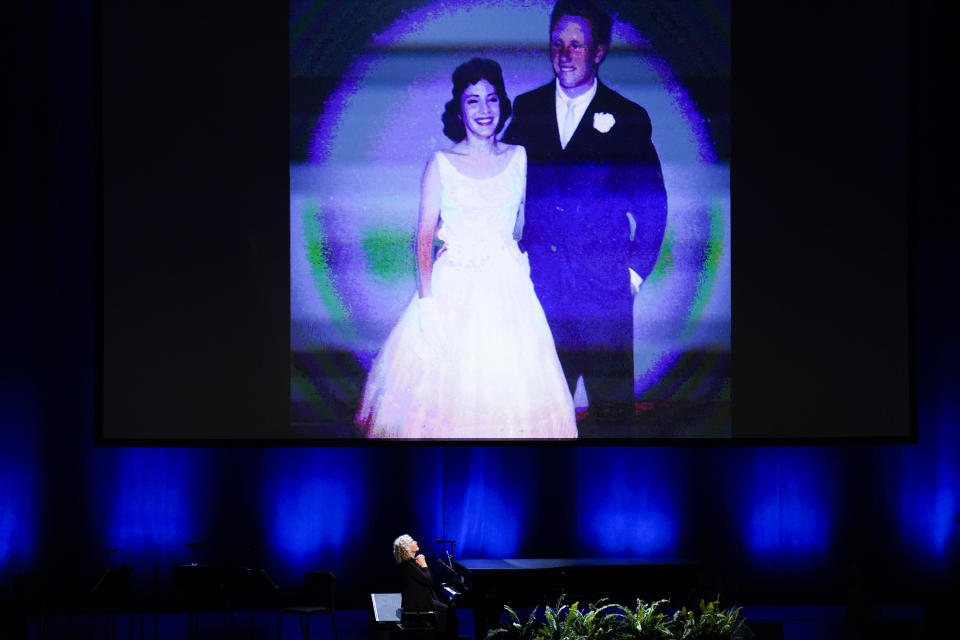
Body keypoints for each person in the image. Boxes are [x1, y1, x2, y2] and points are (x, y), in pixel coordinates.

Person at [355, 58, 577, 439]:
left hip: (508, 289)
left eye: (491, 99)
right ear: (459, 108)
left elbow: (528, 224)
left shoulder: (519, 158)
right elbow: (424, 238)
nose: (484, 110)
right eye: (473, 101)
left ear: (502, 104)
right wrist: (427, 306)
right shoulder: (441, 163)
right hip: (451, 291)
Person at [503, 0, 668, 426]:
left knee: (613, 419)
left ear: (598, 52)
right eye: (557, 43)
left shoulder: (629, 118)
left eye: (577, 45)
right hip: (541, 293)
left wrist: (631, 275)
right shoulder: (527, 109)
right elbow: (503, 183)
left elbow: (652, 203)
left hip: (604, 299)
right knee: (537, 419)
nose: (564, 54)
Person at [392, 534, 449, 631]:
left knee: (447, 609)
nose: (416, 542)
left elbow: (428, 580)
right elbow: (428, 581)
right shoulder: (407, 565)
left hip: (423, 600)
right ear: (406, 548)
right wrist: (424, 564)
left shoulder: (412, 563)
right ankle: (443, 635)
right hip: (417, 604)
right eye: (412, 541)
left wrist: (421, 565)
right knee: (448, 611)